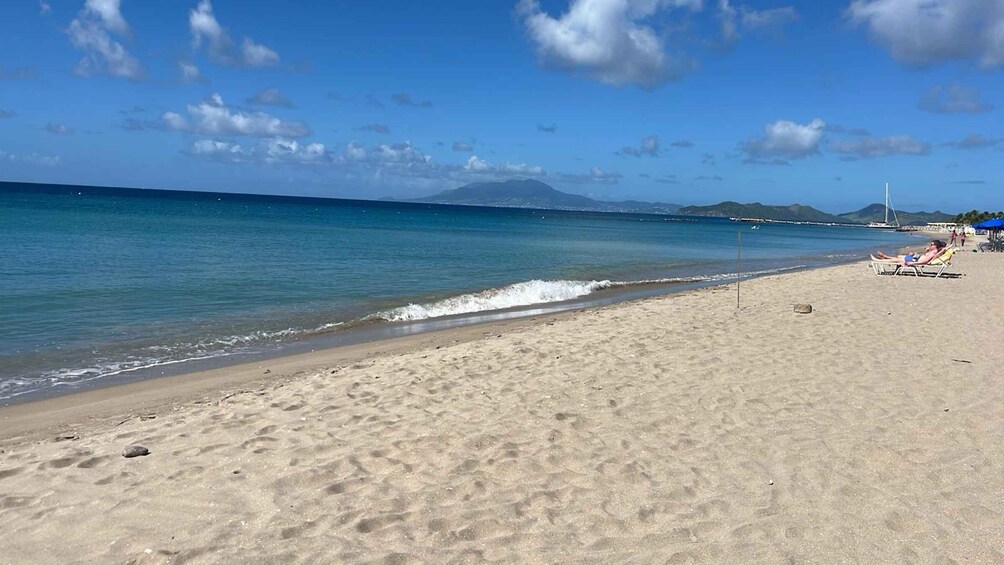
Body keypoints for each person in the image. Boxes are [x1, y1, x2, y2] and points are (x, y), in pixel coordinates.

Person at [872, 240, 945, 265]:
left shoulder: (933, 253)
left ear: (935, 246)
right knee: (899, 257)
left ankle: (880, 259)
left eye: (932, 244)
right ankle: (884, 257)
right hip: (916, 258)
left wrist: (912, 263)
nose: (930, 245)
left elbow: (925, 261)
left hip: (915, 260)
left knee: (898, 259)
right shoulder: (934, 251)